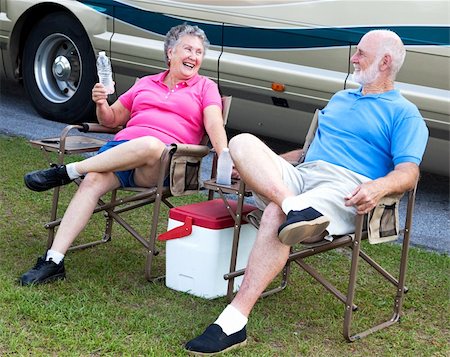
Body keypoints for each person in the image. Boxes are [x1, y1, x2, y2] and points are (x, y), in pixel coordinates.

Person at [185, 29, 428, 354]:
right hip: (300, 179)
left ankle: (233, 321)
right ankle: (293, 205)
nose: (353, 58)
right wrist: (256, 163)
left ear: (385, 62)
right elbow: (305, 154)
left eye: (361, 53)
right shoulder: (341, 99)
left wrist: (377, 186)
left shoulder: (404, 113)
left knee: (275, 211)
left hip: (343, 188)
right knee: (241, 142)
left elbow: (409, 173)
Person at [19, 24, 228, 286]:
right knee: (93, 182)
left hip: (167, 164)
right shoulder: (145, 83)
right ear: (170, 52)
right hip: (120, 154)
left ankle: (68, 171)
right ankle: (53, 261)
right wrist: (101, 102)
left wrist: (227, 157)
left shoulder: (205, 87)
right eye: (188, 49)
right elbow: (112, 119)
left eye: (199, 52)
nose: (194, 57)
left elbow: (214, 125)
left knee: (151, 144)